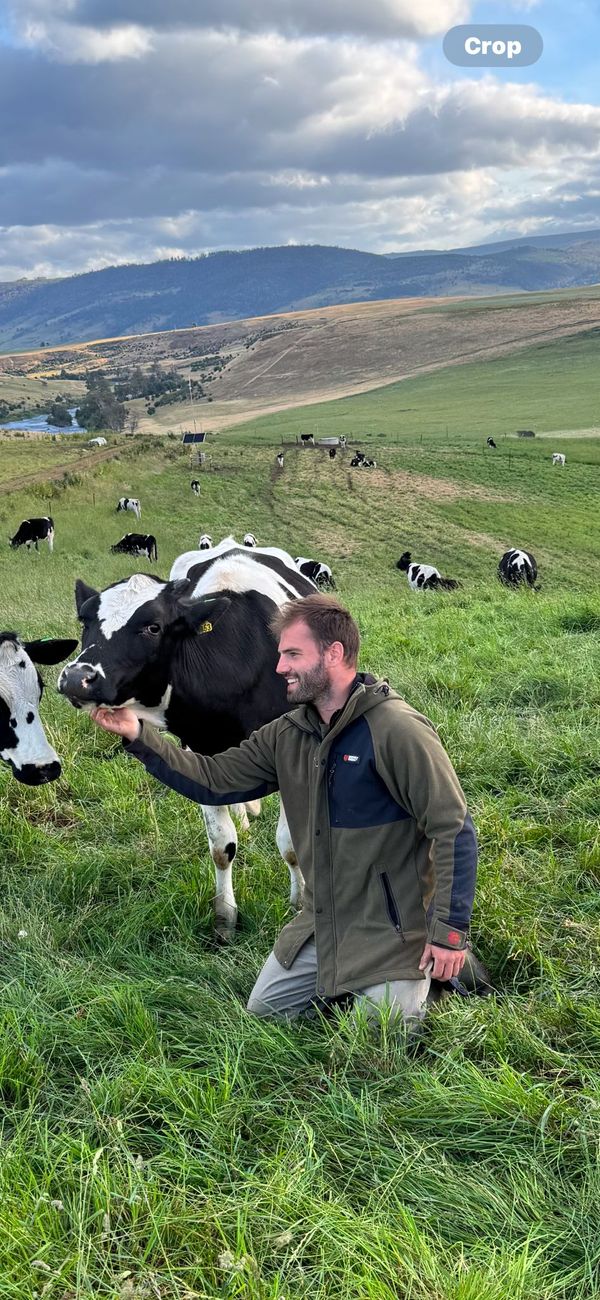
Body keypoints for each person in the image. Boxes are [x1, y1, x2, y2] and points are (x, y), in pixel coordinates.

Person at [89, 594, 478, 1025]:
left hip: (393, 929)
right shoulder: (286, 734)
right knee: (265, 1012)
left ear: (334, 654)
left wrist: (450, 932)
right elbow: (215, 779)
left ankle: (440, 974)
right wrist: (138, 734)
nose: (279, 667)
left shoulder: (397, 730)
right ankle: (360, 982)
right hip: (322, 920)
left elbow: (454, 828)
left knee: (377, 1041)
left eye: (293, 654)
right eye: (280, 655)